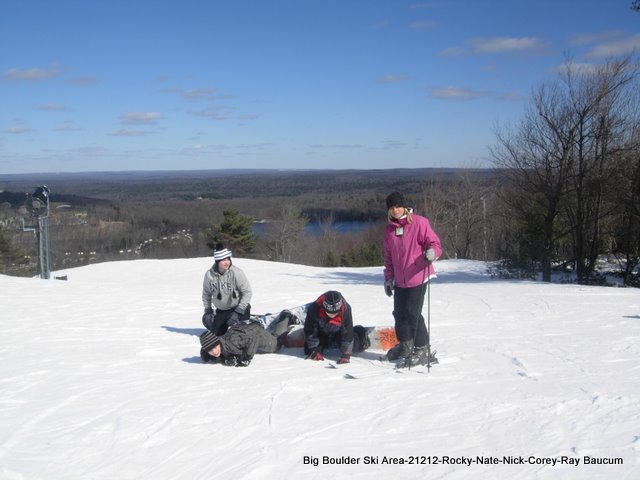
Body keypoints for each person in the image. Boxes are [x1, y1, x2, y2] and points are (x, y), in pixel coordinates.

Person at [383, 192, 442, 366]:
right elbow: (389, 257)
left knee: (412, 313)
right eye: (392, 207)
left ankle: (422, 348)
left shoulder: (419, 223)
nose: (395, 210)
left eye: (398, 206)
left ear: (404, 206)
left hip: (418, 275)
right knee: (399, 314)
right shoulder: (390, 230)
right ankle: (406, 345)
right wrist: (388, 278)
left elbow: (435, 244)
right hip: (400, 280)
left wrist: (433, 253)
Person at [199, 311, 294, 366]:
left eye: (215, 347)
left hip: (256, 334)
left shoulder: (232, 342)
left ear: (218, 342)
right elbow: (209, 351)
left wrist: (246, 357)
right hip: (245, 330)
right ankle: (267, 324)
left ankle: (285, 317)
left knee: (276, 344)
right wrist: (226, 359)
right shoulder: (219, 347)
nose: (214, 352)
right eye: (210, 351)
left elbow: (253, 338)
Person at [201, 243, 253, 335]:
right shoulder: (209, 275)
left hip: (238, 309)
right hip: (222, 311)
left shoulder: (236, 273)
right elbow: (206, 294)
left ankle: (250, 322)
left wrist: (238, 311)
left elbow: (247, 292)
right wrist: (208, 310)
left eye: (228, 259)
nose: (227, 262)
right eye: (223, 260)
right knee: (217, 335)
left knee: (241, 335)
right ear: (217, 261)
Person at [304, 290, 363, 364]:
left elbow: (347, 332)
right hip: (321, 332)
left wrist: (346, 354)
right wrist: (313, 350)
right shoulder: (314, 308)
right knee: (308, 350)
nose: (332, 315)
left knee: (356, 346)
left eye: (335, 313)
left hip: (338, 331)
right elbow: (310, 330)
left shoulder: (346, 309)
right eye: (329, 313)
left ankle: (360, 334)